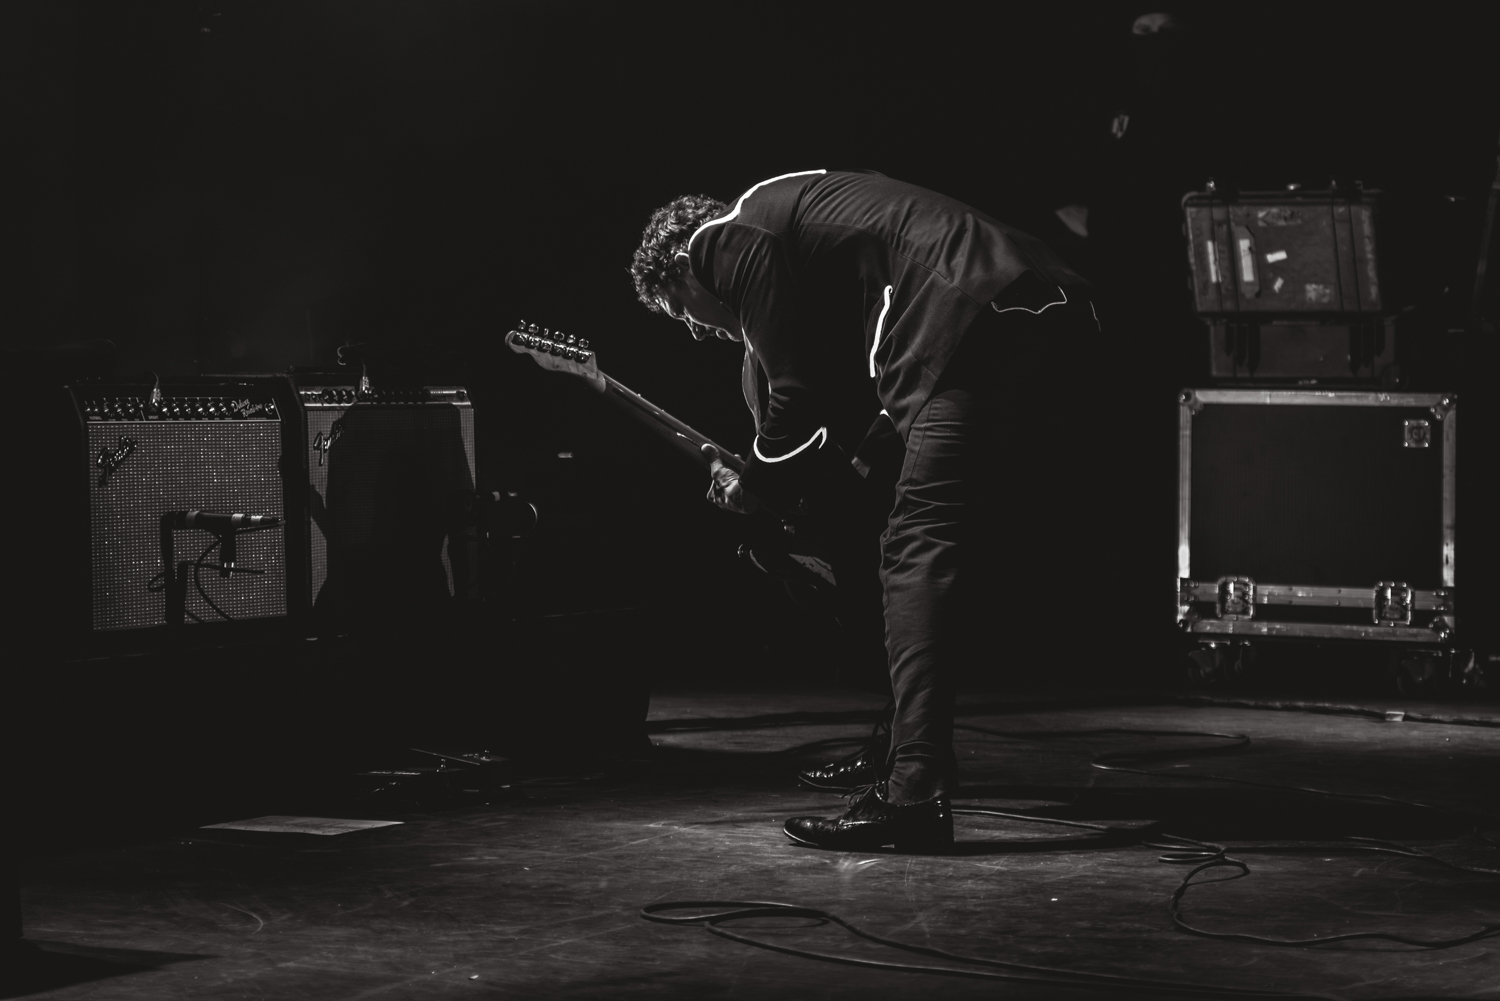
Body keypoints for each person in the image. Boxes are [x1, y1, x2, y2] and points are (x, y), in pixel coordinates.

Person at [630, 170, 1101, 852]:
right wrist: (854, 469)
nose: (699, 333)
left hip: (970, 309)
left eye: (682, 313)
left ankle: (914, 793)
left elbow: (793, 399)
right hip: (1049, 302)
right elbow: (864, 394)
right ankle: (907, 749)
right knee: (903, 523)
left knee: (915, 548)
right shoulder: (798, 232)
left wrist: (754, 485)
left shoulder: (722, 240)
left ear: (681, 265)